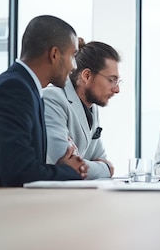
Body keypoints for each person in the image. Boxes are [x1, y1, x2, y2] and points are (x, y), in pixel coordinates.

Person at [0, 15, 87, 188]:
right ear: (54, 54)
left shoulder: (24, 88)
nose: (74, 66)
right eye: (72, 56)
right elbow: (19, 173)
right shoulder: (12, 91)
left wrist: (60, 168)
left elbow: (21, 166)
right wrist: (69, 172)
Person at [43, 39, 120, 179]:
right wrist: (105, 168)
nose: (117, 89)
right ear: (87, 76)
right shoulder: (53, 98)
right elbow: (62, 162)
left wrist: (102, 167)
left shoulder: (92, 108)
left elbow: (99, 158)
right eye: (111, 80)